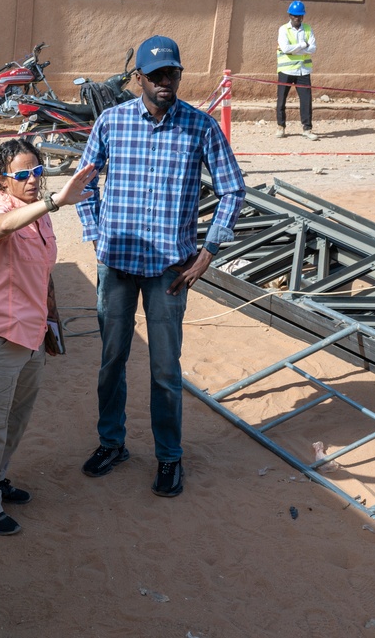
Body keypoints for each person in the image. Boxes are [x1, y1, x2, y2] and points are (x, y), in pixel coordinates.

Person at [75, 35, 246, 498]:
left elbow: (233, 188)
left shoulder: (200, 127)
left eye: (172, 73)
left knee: (166, 370)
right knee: (112, 360)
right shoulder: (111, 123)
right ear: (139, 79)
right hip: (117, 265)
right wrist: (94, 236)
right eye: (155, 75)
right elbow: (84, 184)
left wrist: (208, 250)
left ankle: (169, 457)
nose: (165, 81)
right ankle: (112, 443)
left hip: (170, 271)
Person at [0, 139, 97, 535]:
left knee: (16, 420)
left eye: (37, 172)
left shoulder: (40, 217)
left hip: (33, 335)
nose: (32, 180)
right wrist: (55, 202)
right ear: (0, 179)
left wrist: (52, 328)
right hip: (1, 336)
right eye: (22, 174)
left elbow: (44, 277)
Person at [276, 0, 318, 141]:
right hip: (286, 70)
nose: (297, 18)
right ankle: (281, 127)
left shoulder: (307, 28)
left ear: (303, 16)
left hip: (303, 71)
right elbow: (285, 48)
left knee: (306, 101)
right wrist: (302, 45)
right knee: (281, 100)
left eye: (299, 15)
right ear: (289, 15)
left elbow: (312, 48)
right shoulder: (283, 30)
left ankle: (307, 129)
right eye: (294, 15)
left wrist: (296, 49)